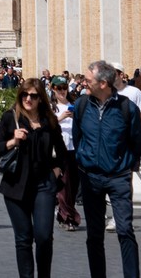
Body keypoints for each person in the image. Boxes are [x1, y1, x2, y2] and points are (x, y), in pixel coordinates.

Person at [72, 60, 141, 278]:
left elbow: (136, 142)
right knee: (94, 234)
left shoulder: (126, 108)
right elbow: (78, 137)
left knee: (125, 230)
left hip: (119, 177)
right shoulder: (82, 105)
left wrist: (126, 166)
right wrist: (83, 159)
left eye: (87, 80)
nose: (83, 83)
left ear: (103, 83)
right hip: (90, 176)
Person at [0, 80, 67, 278]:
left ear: (40, 98)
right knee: (23, 238)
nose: (28, 99)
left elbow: (61, 150)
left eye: (33, 96)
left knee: (44, 237)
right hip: (15, 185)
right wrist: (13, 140)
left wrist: (58, 169)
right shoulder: (12, 117)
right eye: (25, 94)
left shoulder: (49, 120)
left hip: (44, 184)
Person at [49, 77, 81, 231]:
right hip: (58, 151)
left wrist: (77, 118)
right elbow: (45, 126)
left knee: (73, 184)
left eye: (64, 88)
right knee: (63, 183)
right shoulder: (50, 108)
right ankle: (69, 217)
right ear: (53, 89)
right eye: (59, 88)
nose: (62, 91)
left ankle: (64, 213)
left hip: (74, 148)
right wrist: (60, 118)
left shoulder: (74, 105)